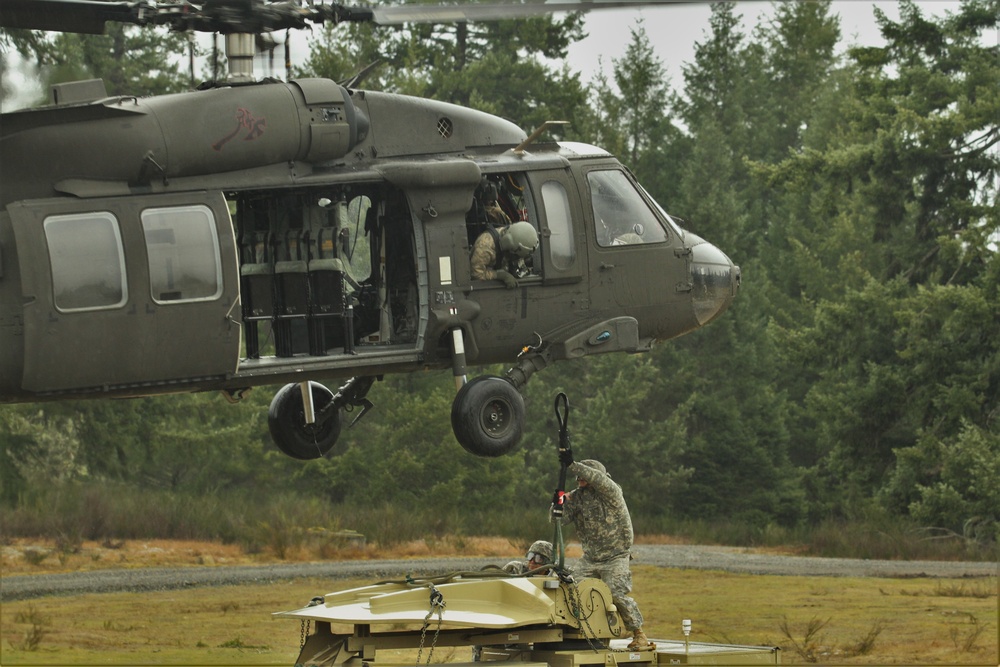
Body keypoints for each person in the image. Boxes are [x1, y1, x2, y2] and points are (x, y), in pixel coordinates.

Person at [559, 456, 652, 651]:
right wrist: (558, 504)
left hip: (615, 555)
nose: (579, 479)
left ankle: (639, 635)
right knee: (571, 589)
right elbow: (558, 520)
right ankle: (582, 633)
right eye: (577, 477)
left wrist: (572, 464)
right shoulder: (578, 497)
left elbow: (598, 480)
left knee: (616, 592)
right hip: (591, 557)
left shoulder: (611, 492)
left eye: (583, 475)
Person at [470, 220, 538, 288]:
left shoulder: (511, 236)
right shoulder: (485, 247)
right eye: (515, 255)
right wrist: (499, 275)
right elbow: (476, 274)